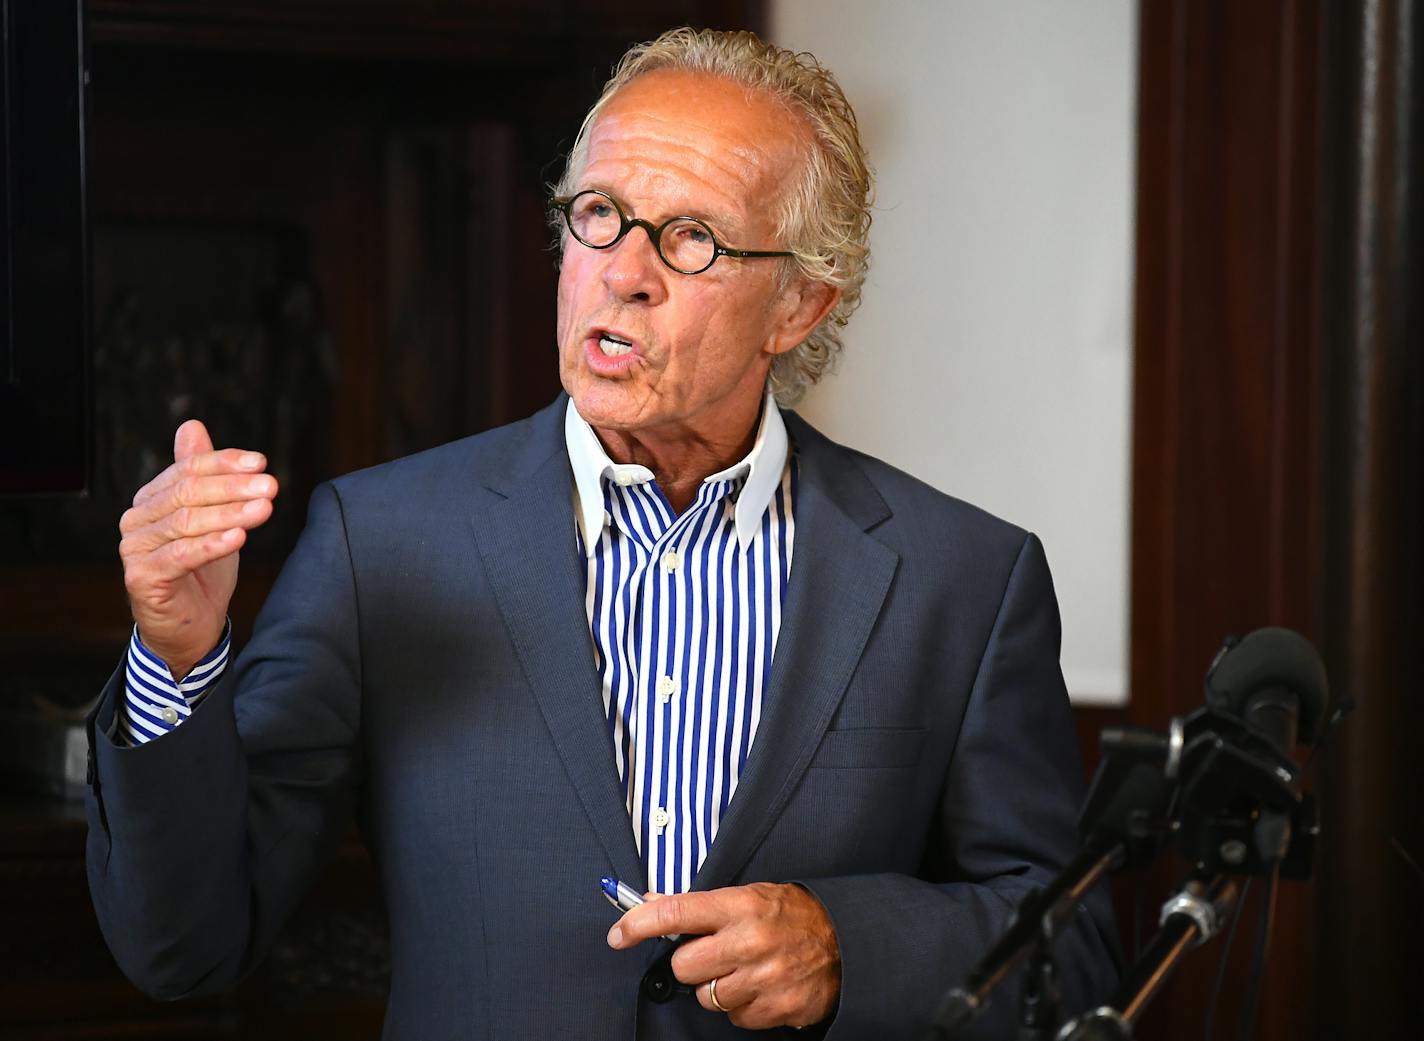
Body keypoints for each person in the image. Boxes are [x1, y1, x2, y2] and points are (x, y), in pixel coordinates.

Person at [87, 27, 1118, 1040]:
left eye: (689, 238)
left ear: (797, 305)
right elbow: (185, 946)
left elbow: (1072, 954)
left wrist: (846, 941)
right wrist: (175, 658)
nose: (622, 272)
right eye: (597, 215)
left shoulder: (961, 580)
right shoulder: (382, 542)